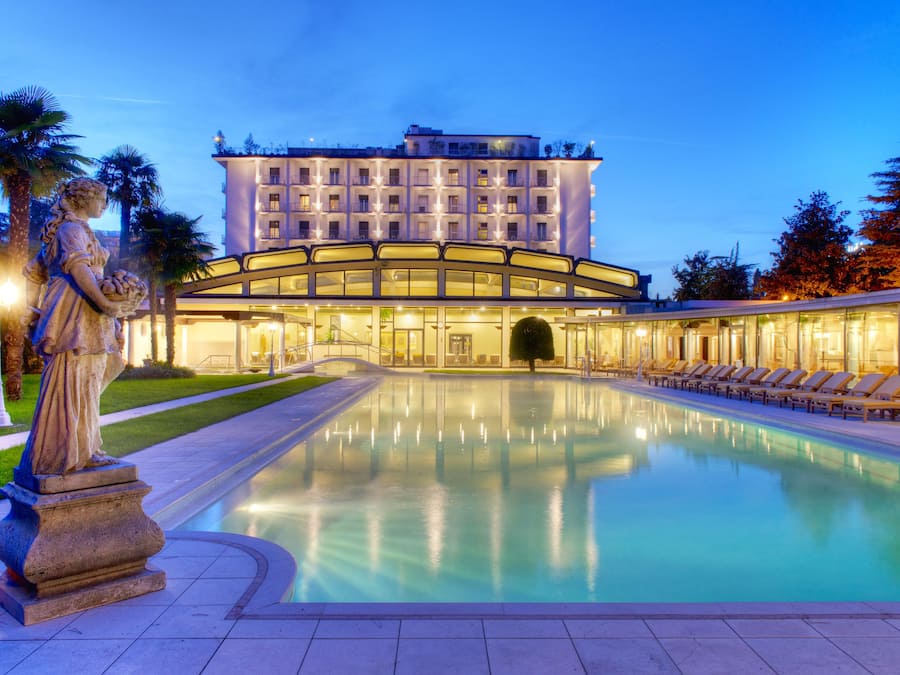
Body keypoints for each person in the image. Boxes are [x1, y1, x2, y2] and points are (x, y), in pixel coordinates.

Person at [17, 177, 127, 477]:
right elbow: (77, 270)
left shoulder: (74, 230)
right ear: (83, 199)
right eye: (101, 198)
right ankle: (66, 453)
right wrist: (104, 305)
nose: (105, 204)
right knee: (73, 381)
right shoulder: (70, 230)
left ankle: (86, 448)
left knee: (89, 382)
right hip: (74, 311)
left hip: (87, 310)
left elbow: (33, 272)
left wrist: (111, 316)